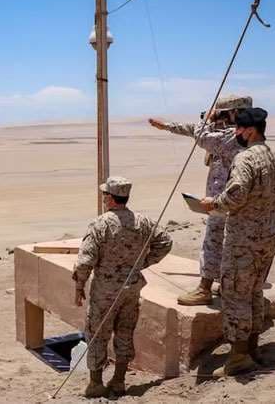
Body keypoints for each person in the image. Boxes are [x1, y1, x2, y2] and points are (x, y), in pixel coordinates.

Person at [201, 107, 275, 376]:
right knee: (255, 293)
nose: (235, 133)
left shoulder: (245, 159)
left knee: (236, 295)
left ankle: (238, 358)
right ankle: (252, 349)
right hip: (268, 239)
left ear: (250, 131)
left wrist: (212, 203)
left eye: (238, 129)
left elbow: (235, 196)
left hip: (243, 242)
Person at [72, 176, 173, 398]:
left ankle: (96, 383)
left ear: (110, 198)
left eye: (104, 195)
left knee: (97, 334)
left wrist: (79, 285)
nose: (103, 199)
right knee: (125, 332)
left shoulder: (100, 224)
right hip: (131, 288)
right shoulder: (142, 221)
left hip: (106, 291)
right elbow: (165, 242)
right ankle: (119, 380)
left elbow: (84, 262)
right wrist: (141, 263)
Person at [149, 95, 252, 305]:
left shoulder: (234, 136)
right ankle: (226, 285)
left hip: (225, 200)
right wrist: (168, 126)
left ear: (233, 113)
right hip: (232, 200)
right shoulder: (242, 133)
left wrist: (207, 119)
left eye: (222, 113)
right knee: (229, 244)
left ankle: (204, 289)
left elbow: (202, 137)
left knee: (214, 241)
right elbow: (193, 130)